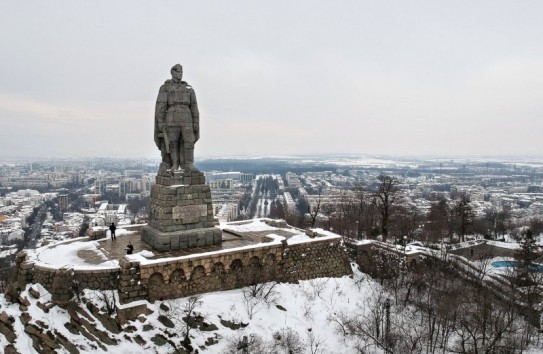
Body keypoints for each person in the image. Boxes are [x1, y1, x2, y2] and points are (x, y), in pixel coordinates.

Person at [154, 64, 200, 175]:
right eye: (178, 71)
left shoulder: (189, 89)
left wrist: (195, 121)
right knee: (172, 143)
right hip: (171, 117)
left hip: (186, 117)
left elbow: (194, 107)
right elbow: (160, 107)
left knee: (189, 141)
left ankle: (188, 163)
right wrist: (160, 123)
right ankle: (174, 164)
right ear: (172, 72)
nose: (180, 74)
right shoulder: (165, 88)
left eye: (181, 72)